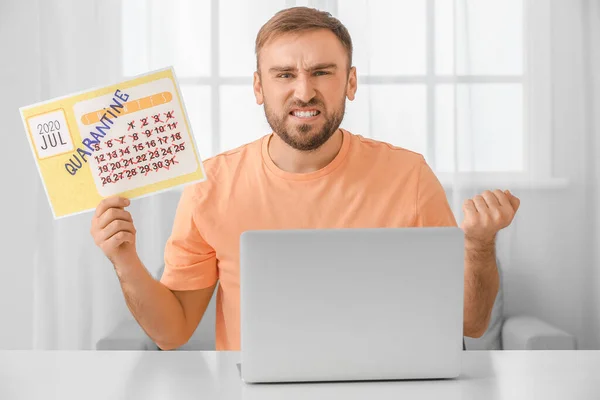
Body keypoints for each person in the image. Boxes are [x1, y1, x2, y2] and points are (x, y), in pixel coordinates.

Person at [90, 7, 520, 351]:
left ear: (350, 82)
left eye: (322, 72)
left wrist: (479, 246)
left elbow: (472, 323)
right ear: (258, 88)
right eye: (284, 75)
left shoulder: (409, 176)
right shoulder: (212, 185)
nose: (303, 91)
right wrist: (124, 259)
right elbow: (173, 333)